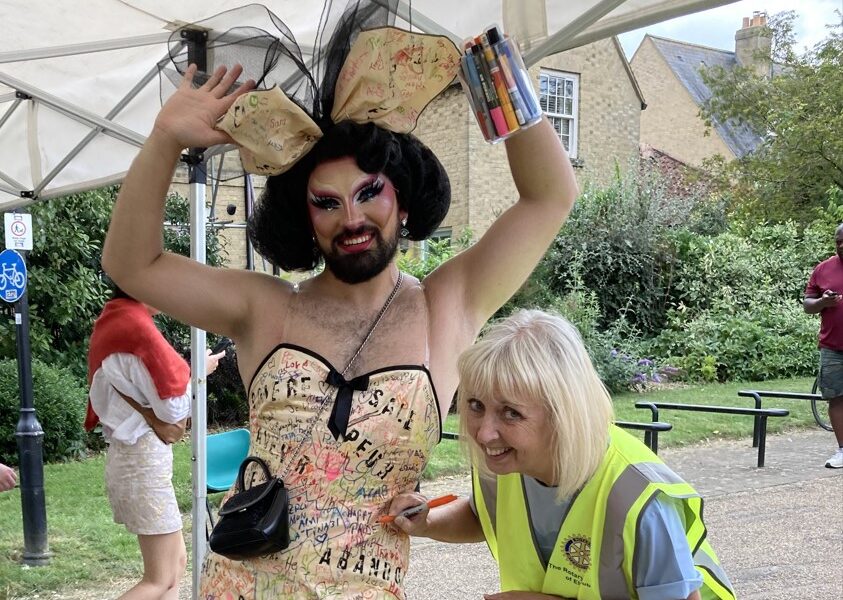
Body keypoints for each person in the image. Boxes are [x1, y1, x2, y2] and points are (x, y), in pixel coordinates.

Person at [101, 2, 576, 598]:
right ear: (305, 219)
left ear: (402, 202)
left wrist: (496, 72)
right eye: (326, 202)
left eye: (368, 193)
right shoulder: (265, 307)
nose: (350, 218)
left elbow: (549, 198)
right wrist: (166, 137)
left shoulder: (446, 307)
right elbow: (131, 264)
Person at [387, 310, 735, 600]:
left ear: (563, 414)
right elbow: (486, 516)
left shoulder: (639, 498)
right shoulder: (503, 463)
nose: (483, 432)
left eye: (511, 413)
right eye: (476, 406)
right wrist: (427, 521)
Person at [86, 285, 224, 600]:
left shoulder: (113, 323)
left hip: (135, 460)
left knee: (176, 567)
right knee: (160, 578)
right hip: (142, 463)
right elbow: (172, 408)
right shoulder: (136, 329)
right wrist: (198, 373)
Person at [803, 223, 843, 469]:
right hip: (832, 347)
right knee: (836, 399)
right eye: (838, 241)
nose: (841, 246)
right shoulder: (823, 269)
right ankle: (842, 449)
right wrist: (823, 302)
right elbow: (808, 305)